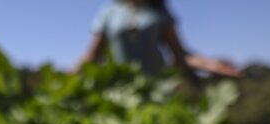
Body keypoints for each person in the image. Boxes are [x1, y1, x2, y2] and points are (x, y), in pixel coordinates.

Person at [75, 0, 240, 78]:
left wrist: (214, 65)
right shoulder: (110, 12)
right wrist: (64, 79)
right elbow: (92, 55)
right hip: (119, 89)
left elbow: (181, 55)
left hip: (155, 87)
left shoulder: (159, 12)